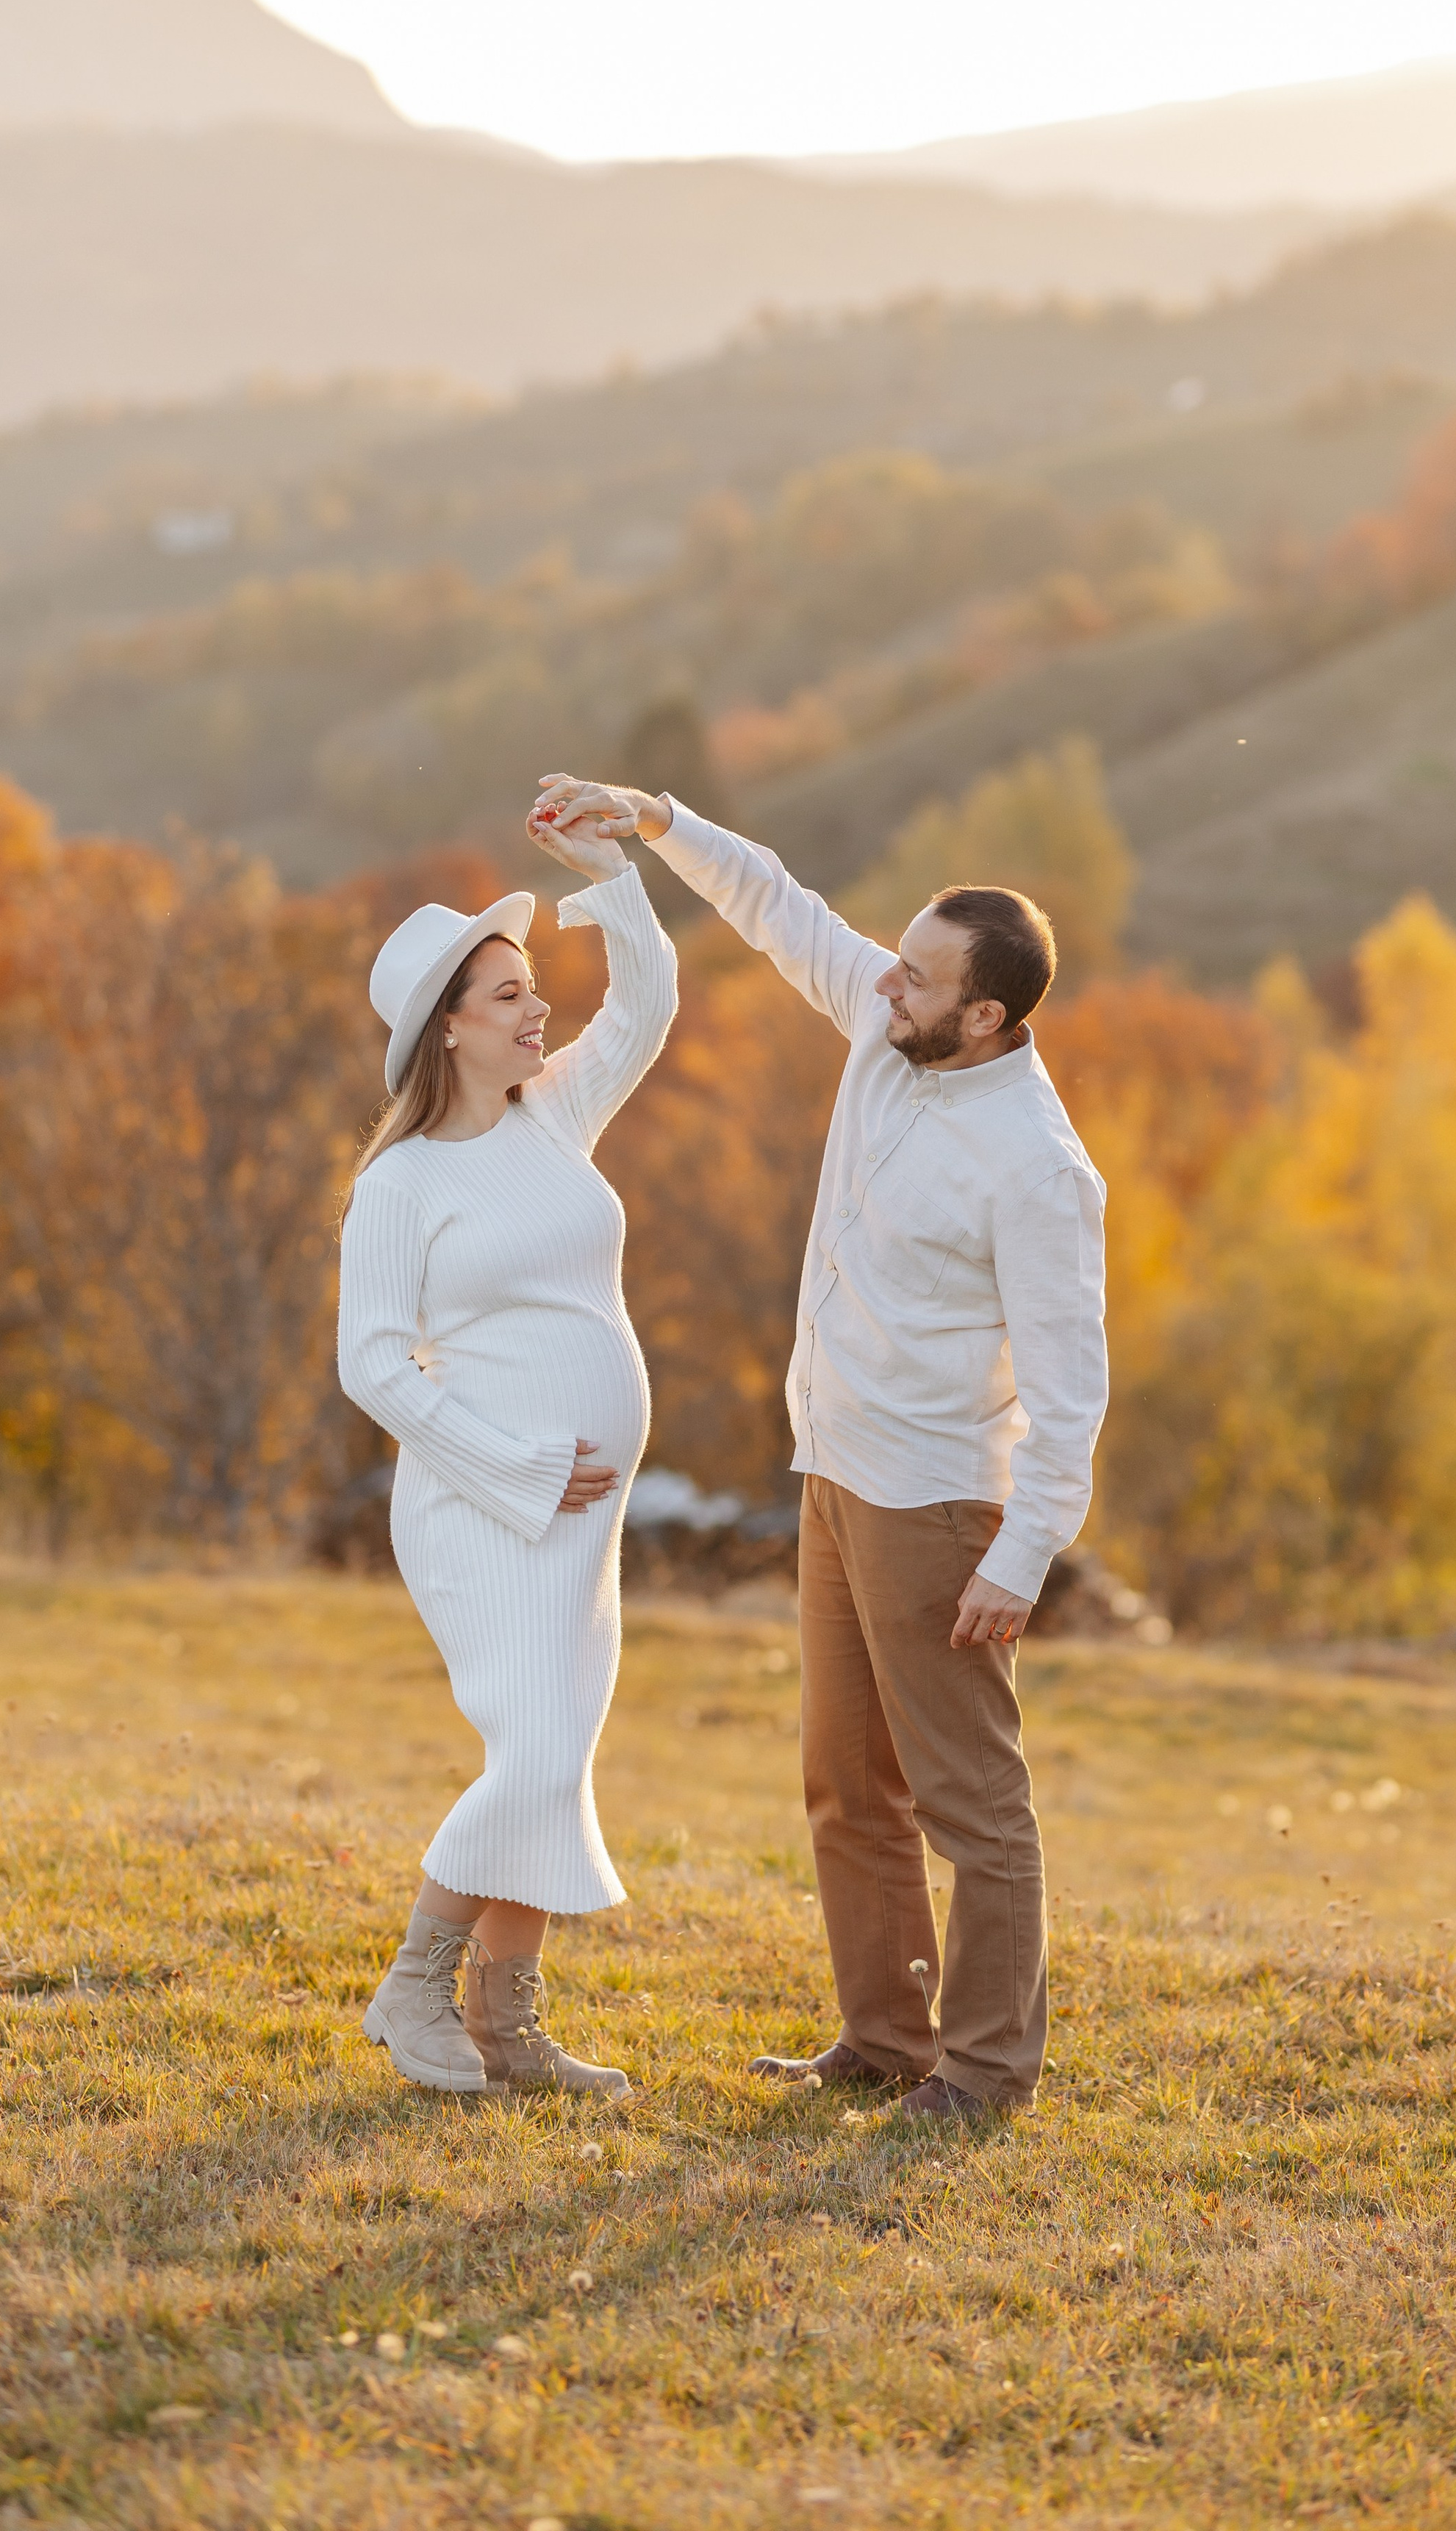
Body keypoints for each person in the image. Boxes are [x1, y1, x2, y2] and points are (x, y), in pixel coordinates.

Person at [536, 774, 1107, 2118]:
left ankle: (985, 2076)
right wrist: (655, 821)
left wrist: (1022, 1555)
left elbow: (1073, 1392)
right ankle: (886, 2040)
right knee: (847, 1787)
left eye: (919, 978)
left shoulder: (1038, 1167)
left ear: (986, 1015)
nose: (885, 983)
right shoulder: (892, 1026)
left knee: (971, 1805)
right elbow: (780, 907)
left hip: (938, 1506)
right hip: (834, 1475)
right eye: (895, 961)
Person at [337, 801, 677, 2097]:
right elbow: (373, 1364)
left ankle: (508, 2028)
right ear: (448, 1026)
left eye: (535, 989)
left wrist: (614, 877)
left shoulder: (552, 1117)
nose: (540, 1012)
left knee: (556, 1751)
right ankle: (414, 1989)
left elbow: (646, 1008)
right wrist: (522, 1471)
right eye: (510, 995)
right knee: (532, 1749)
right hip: (482, 1509)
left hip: (583, 1517)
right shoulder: (402, 1185)